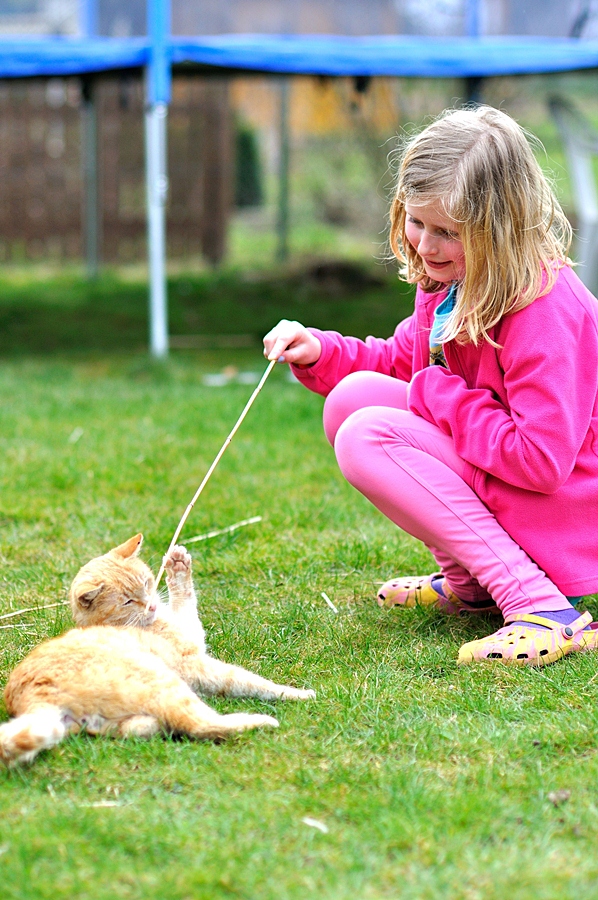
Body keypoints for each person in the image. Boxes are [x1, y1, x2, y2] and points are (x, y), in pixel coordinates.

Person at [263, 105, 598, 667]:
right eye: (417, 222)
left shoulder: (543, 310)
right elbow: (402, 365)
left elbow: (540, 461)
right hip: (507, 480)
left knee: (367, 435)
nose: (425, 244)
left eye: (447, 232)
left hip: (565, 508)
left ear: (502, 230)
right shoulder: (453, 281)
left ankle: (543, 607)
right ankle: (471, 585)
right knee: (351, 402)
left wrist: (438, 395)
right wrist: (320, 350)